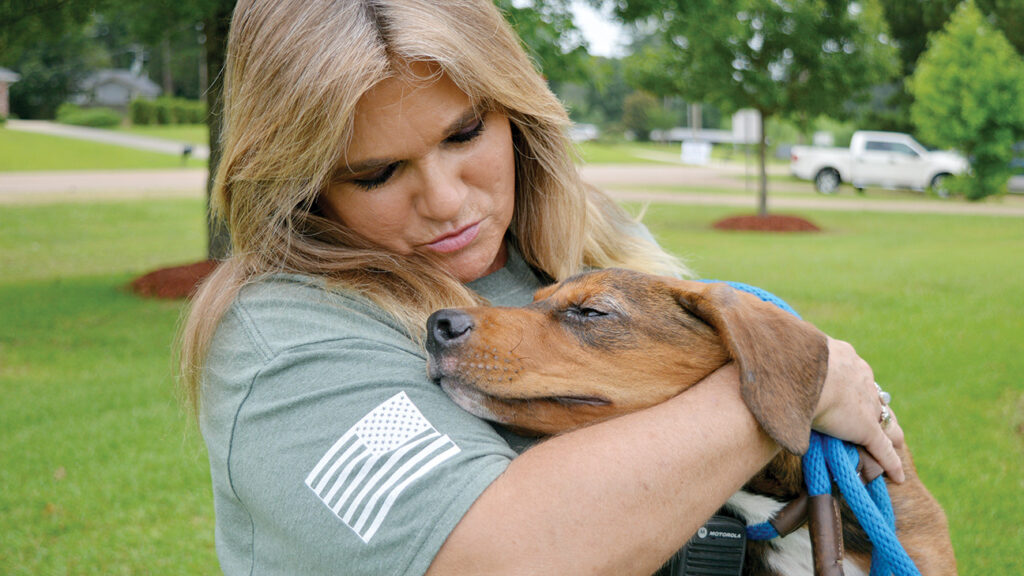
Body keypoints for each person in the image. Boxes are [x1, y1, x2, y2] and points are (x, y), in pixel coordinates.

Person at [180, 1, 905, 574]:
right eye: (375, 173)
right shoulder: (288, 340)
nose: (444, 200)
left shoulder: (573, 258)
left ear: (518, 114)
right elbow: (496, 560)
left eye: (464, 134)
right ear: (298, 185)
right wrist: (790, 385)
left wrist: (816, 426)